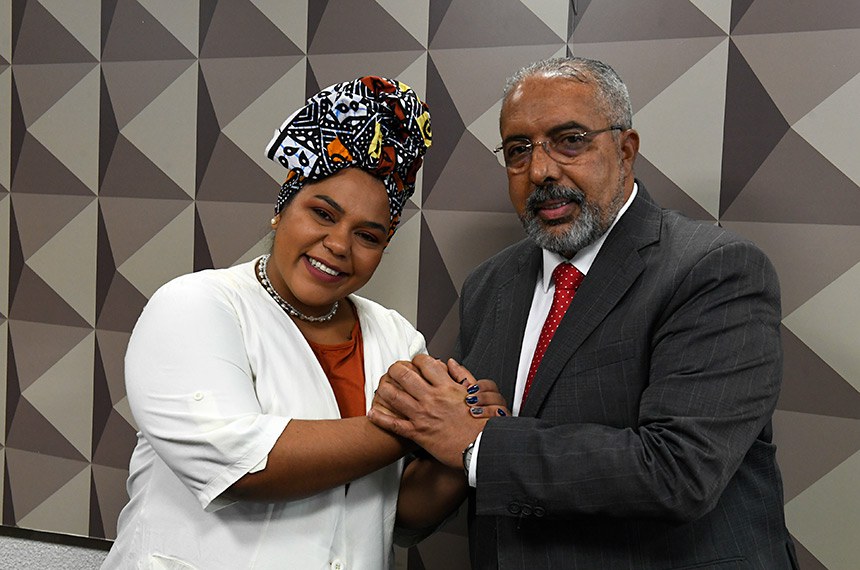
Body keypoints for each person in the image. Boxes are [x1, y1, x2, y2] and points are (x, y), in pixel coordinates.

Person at [368, 57, 800, 569]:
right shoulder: (489, 286)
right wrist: (430, 427)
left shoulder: (714, 269)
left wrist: (479, 442)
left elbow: (680, 472)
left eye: (570, 140)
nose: (541, 170)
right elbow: (452, 457)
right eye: (518, 150)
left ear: (625, 150)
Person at [102, 76, 498, 570]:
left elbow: (398, 516)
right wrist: (424, 426)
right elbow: (244, 469)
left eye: (368, 236)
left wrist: (471, 439)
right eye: (323, 213)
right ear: (282, 208)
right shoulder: (195, 306)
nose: (339, 244)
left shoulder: (396, 337)